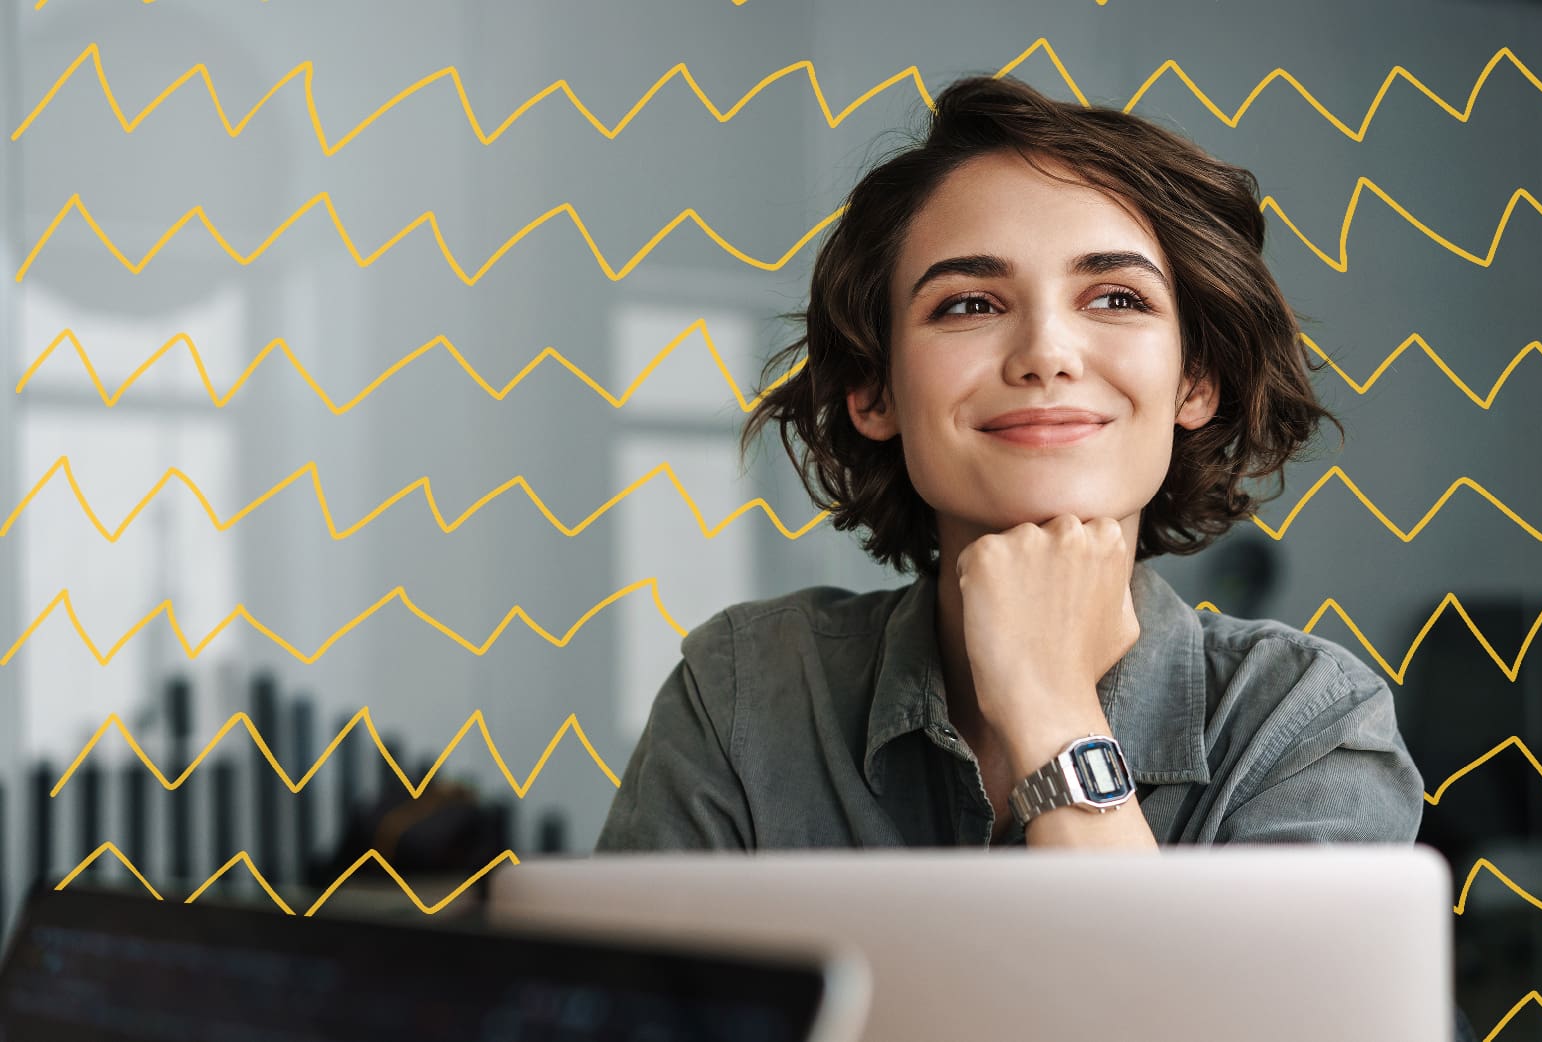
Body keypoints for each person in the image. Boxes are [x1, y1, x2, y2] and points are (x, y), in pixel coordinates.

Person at [598, 70, 1477, 1042]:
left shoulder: (1305, 724)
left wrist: (1051, 713)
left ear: (1195, 379)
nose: (1047, 352)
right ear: (872, 391)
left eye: (1113, 296)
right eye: (968, 305)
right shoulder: (740, 692)